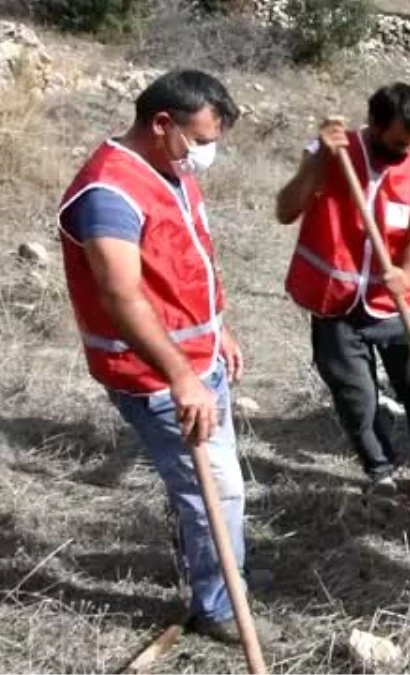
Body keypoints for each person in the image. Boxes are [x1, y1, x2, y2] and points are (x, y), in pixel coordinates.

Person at [58, 69, 274, 643]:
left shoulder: (169, 170)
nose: (205, 155)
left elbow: (187, 258)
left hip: (199, 360)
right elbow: (121, 294)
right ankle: (220, 604)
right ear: (161, 124)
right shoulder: (107, 193)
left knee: (215, 488)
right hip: (154, 374)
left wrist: (218, 328)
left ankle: (219, 567)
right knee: (214, 490)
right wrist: (180, 374)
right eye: (200, 141)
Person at [274, 82, 410, 505]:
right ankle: (381, 471)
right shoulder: (332, 153)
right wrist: (316, 164)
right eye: (398, 142)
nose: (405, 151)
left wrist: (407, 273)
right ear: (375, 126)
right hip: (336, 302)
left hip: (390, 303)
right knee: (357, 398)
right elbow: (285, 210)